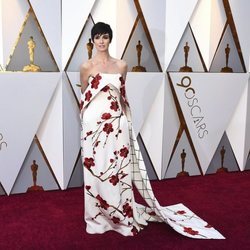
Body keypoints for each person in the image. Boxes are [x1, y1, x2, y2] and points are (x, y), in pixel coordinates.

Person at [80, 22, 224, 239]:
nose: (101, 41)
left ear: (110, 39)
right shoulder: (86, 67)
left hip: (117, 126)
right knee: (96, 170)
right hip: (92, 127)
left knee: (118, 171)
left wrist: (122, 121)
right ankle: (98, 216)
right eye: (97, 37)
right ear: (92, 40)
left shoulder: (122, 66)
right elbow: (85, 97)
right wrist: (88, 124)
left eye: (105, 37)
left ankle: (119, 215)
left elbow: (120, 96)